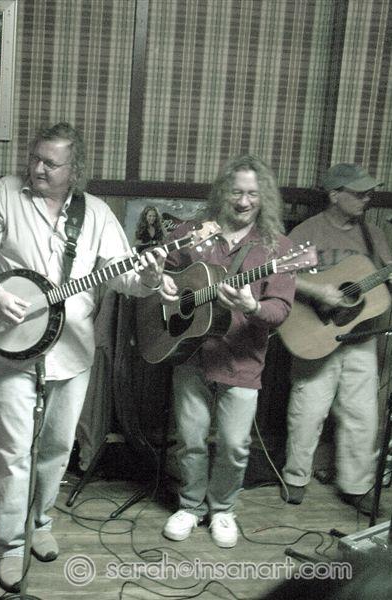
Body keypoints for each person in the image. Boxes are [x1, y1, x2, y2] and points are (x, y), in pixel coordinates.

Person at [0, 122, 169, 592]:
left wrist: (151, 277)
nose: (38, 168)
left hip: (71, 349)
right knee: (11, 448)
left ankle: (41, 521)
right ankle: (10, 544)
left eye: (50, 163)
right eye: (35, 158)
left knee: (56, 446)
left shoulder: (97, 214)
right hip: (12, 343)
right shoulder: (5, 193)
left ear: (75, 170)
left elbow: (123, 277)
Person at [159, 154, 296, 549]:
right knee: (190, 439)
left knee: (235, 445)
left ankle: (222, 509)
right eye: (236, 192)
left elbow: (280, 310)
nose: (243, 201)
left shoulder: (279, 248)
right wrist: (163, 282)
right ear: (223, 192)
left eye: (252, 194)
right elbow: (161, 268)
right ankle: (190, 505)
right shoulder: (194, 232)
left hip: (242, 360)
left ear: (264, 197)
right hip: (190, 353)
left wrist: (251, 306)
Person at [280, 163, 392, 515]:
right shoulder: (307, 231)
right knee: (308, 410)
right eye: (359, 193)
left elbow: (380, 281)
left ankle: (357, 486)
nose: (367, 199)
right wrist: (319, 292)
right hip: (313, 332)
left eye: (369, 193)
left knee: (362, 414)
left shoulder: (372, 234)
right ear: (335, 195)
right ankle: (295, 478)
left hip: (361, 336)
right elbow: (281, 278)